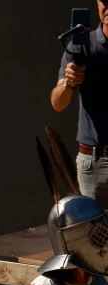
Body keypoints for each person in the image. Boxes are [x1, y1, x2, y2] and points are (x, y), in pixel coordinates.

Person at [51, 1, 108, 208]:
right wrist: (68, 82)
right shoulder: (82, 43)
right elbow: (57, 103)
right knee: (94, 236)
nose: (107, 8)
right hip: (94, 161)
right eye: (104, 2)